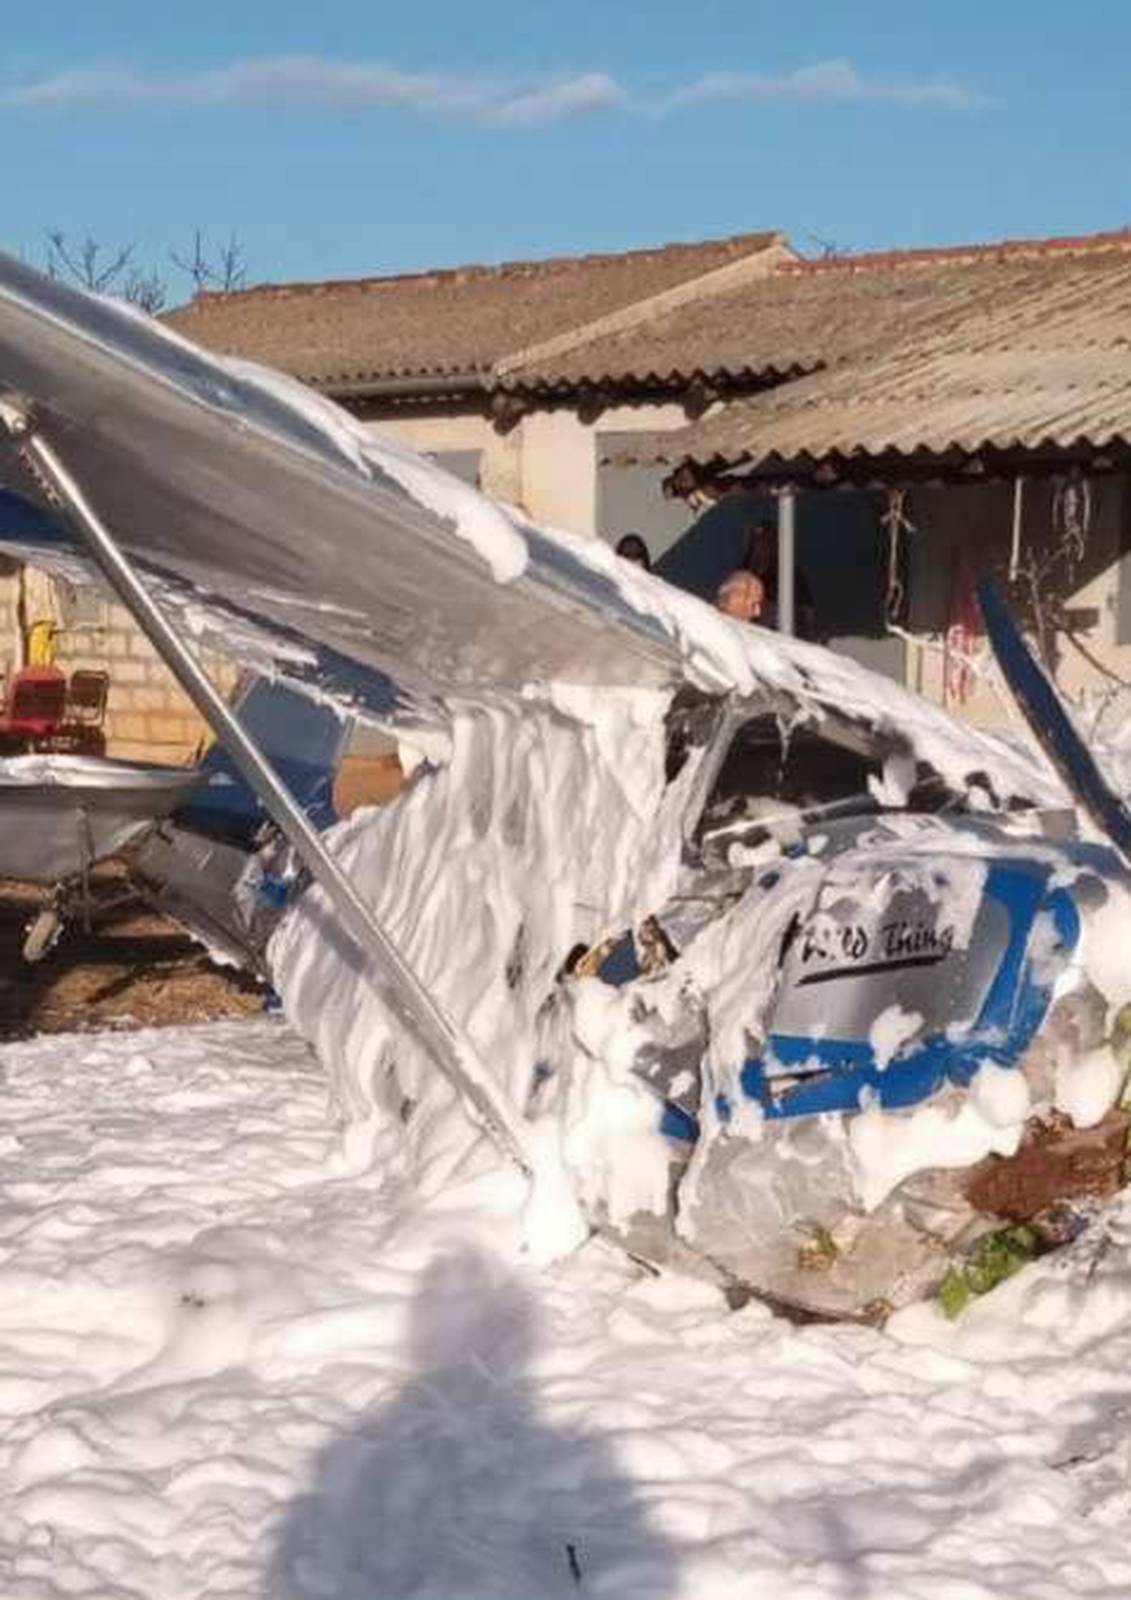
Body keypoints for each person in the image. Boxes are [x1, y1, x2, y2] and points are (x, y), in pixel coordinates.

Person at [741, 519, 816, 637]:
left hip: (778, 639)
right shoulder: (743, 571)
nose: (761, 546)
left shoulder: (789, 573)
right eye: (757, 541)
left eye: (766, 541)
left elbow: (806, 613)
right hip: (747, 636)